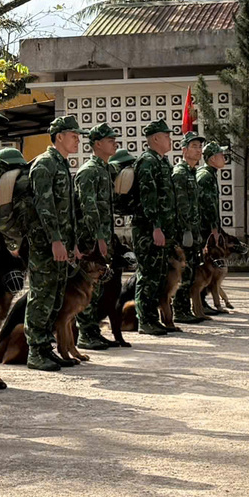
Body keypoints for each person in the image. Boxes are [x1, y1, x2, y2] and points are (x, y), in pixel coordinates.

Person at [23, 115, 82, 371]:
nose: (78, 140)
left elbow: (66, 211)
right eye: (73, 135)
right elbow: (44, 208)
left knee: (56, 297)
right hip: (45, 245)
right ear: (59, 136)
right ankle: (35, 352)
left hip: (60, 245)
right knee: (42, 297)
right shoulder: (45, 165)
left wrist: (72, 243)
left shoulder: (61, 165)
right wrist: (56, 241)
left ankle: (46, 347)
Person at [73, 124, 121, 350]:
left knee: (99, 286)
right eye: (110, 140)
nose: (115, 143)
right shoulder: (89, 171)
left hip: (102, 237)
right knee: (88, 285)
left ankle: (93, 330)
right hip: (90, 240)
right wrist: (99, 238)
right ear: (98, 144)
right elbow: (88, 207)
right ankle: (85, 333)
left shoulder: (104, 169)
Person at [131, 120, 178, 335]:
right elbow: (148, 198)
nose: (170, 139)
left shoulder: (163, 162)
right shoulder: (147, 162)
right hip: (148, 230)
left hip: (163, 229)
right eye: (166, 136)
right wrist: (156, 227)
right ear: (156, 138)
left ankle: (156, 318)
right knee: (148, 275)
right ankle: (145, 320)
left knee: (159, 275)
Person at [169, 132, 207, 324]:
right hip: (183, 233)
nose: (198, 150)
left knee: (191, 272)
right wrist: (185, 230)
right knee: (183, 273)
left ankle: (186, 309)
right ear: (184, 150)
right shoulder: (180, 173)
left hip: (194, 232)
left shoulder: (192, 172)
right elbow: (180, 205)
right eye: (194, 146)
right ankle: (180, 310)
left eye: (200, 147)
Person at [194, 142, 228, 315]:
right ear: (213, 158)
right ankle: (200, 303)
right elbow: (207, 206)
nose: (224, 158)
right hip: (204, 229)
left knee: (208, 267)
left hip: (207, 228)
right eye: (221, 155)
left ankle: (203, 302)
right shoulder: (205, 176)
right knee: (204, 267)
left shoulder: (210, 174)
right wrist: (214, 229)